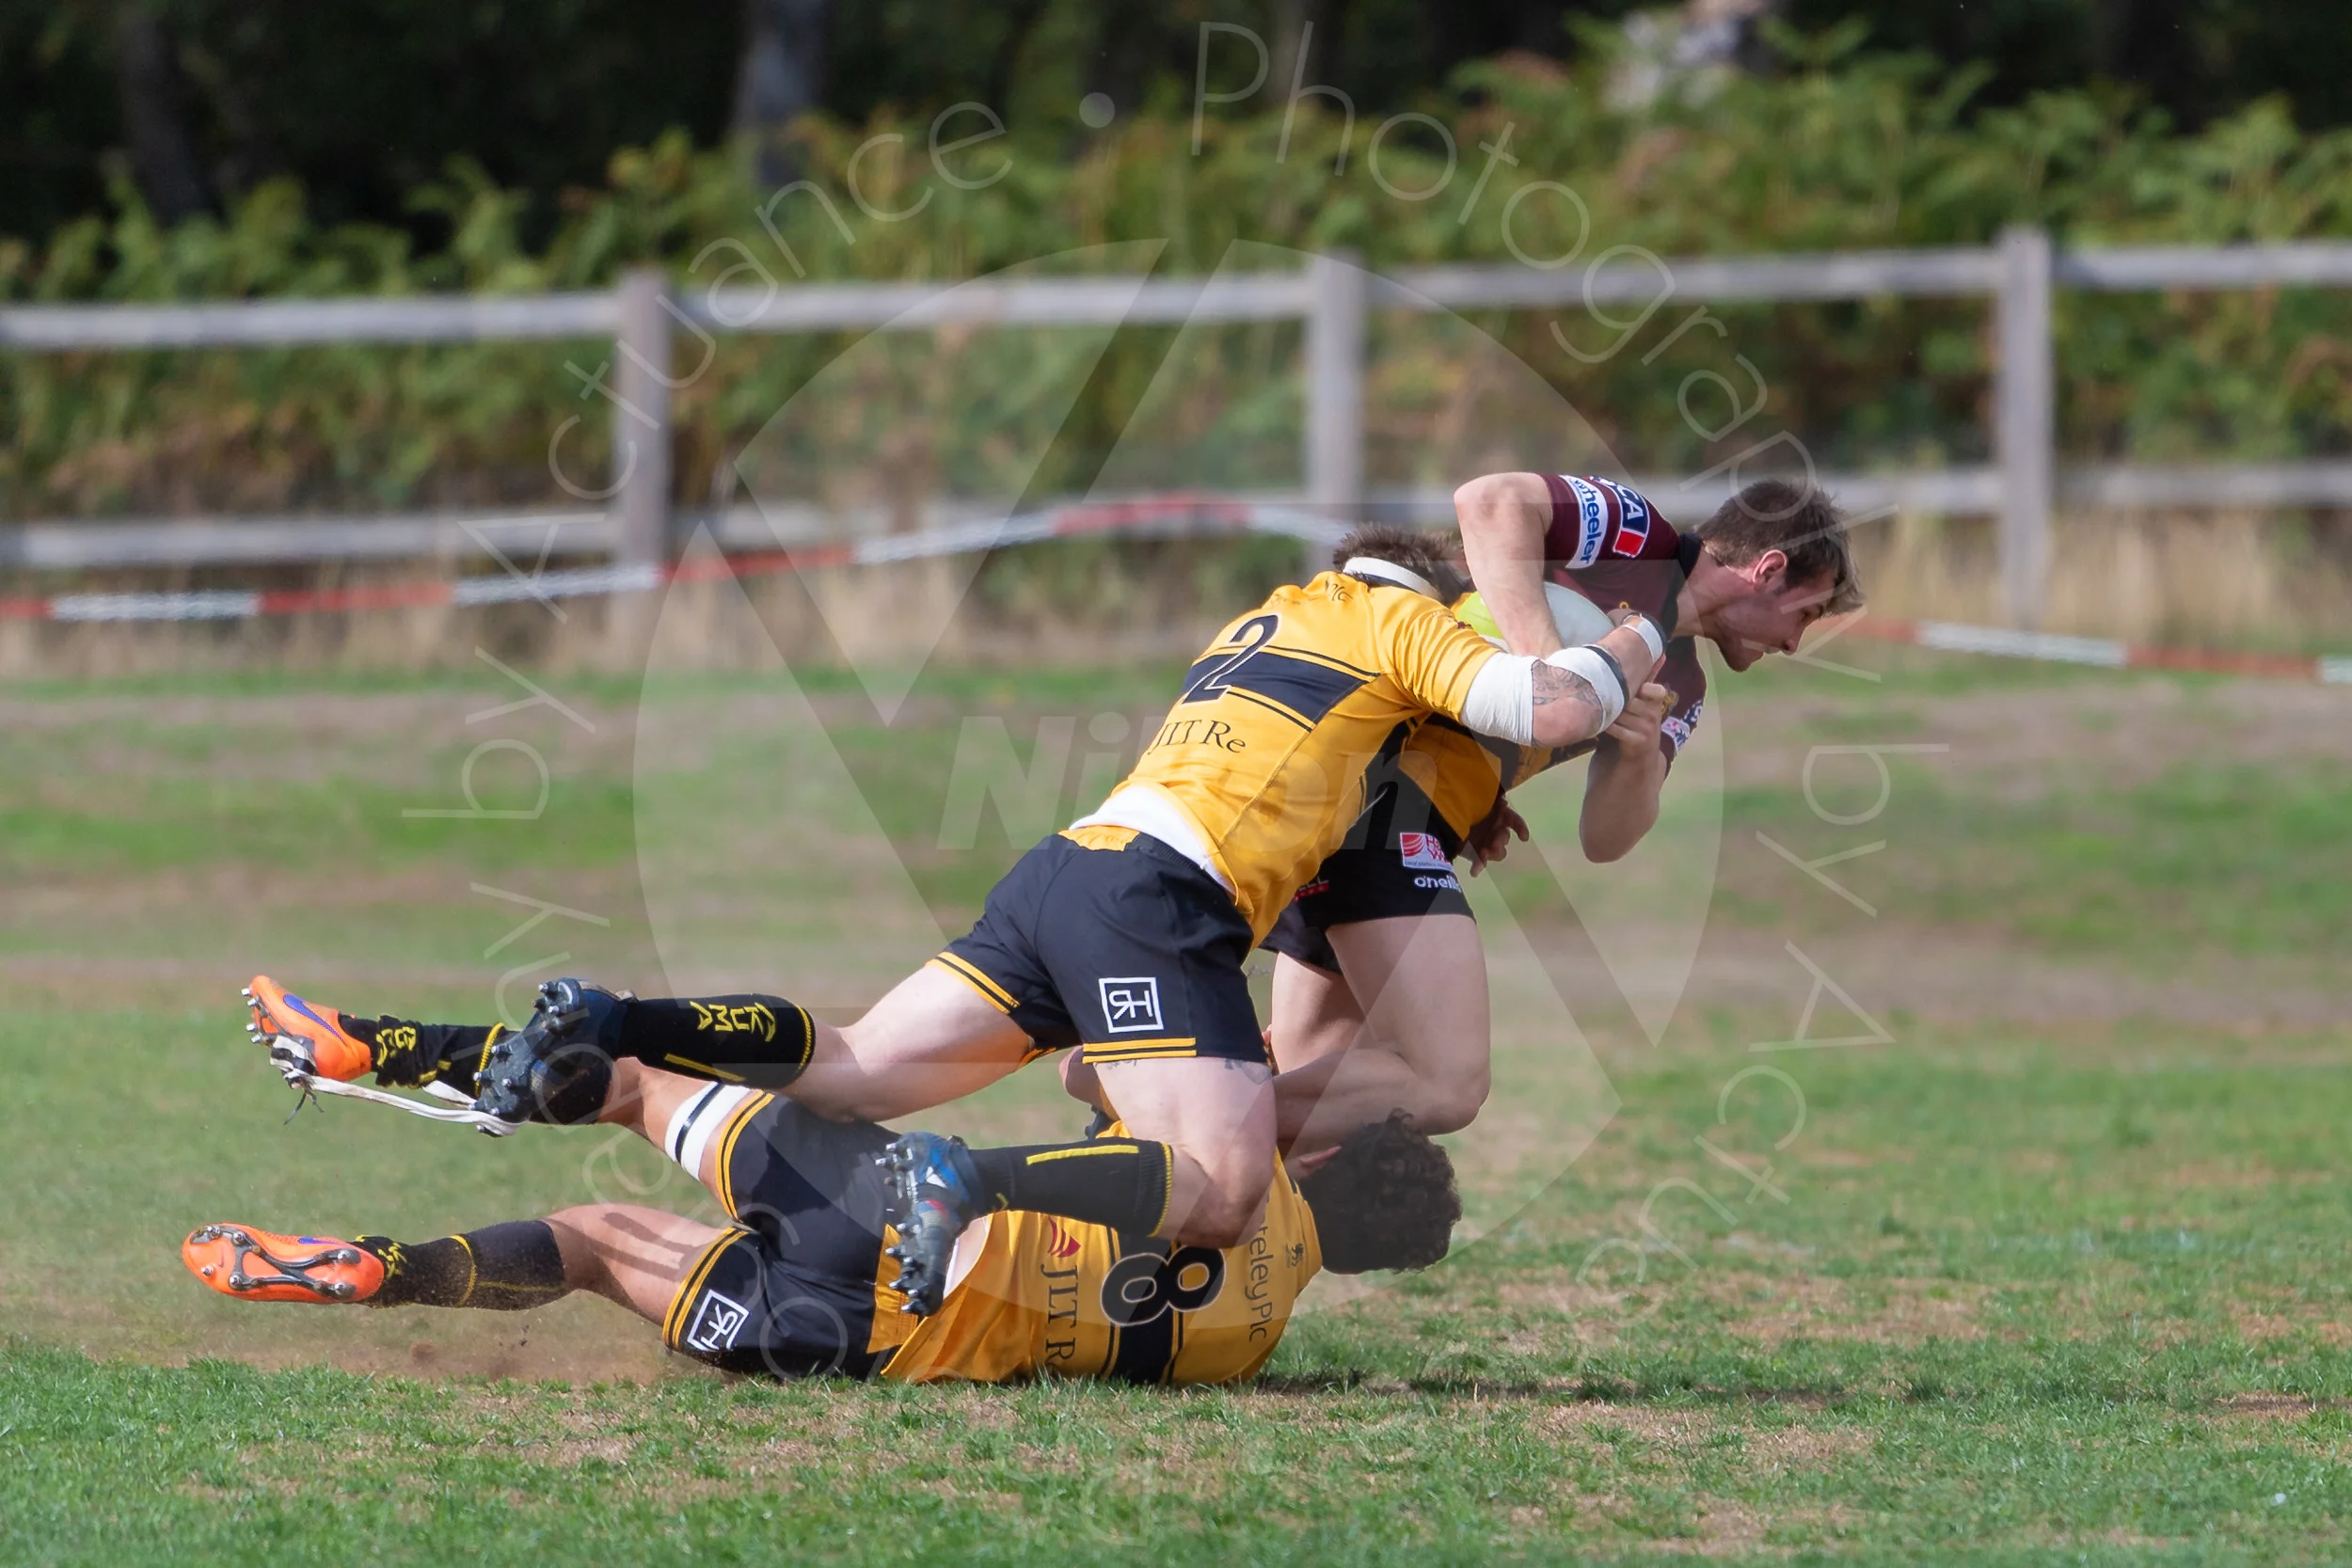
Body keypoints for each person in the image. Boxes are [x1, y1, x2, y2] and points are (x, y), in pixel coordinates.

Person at [245, 524, 1661, 1313]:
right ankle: (966, 1179)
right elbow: (1537, 702)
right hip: (1155, 899)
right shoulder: (1389, 619)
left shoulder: (1260, 620)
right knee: (1218, 1180)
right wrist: (1654, 638)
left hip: (1066, 866)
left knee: (853, 1063)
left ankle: (617, 1013)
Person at [181, 1053, 1459, 1386]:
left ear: (1329, 1146)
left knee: (630, 1083)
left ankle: (393, 1062)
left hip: (885, 1209)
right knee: (587, 1242)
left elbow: (1086, 1073)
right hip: (860, 1340)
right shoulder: (1255, 1341)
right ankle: (386, 1272)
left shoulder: (1229, 1166)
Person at [1264, 477, 1865, 1152]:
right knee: (1429, 1082)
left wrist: (1636, 753)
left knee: (1311, 1115)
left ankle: (1171, 1141)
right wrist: (1550, 678)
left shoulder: (1684, 681)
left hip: (1385, 808)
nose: (1794, 645)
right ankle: (1193, 1111)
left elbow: (1604, 839)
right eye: (1805, 616)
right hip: (1369, 787)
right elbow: (1488, 502)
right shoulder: (1639, 539)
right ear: (1770, 570)